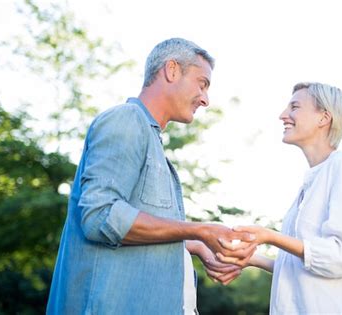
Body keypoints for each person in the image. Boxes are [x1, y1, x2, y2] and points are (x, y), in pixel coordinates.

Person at [47, 38, 256, 315]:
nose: (205, 99)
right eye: (202, 83)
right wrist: (198, 229)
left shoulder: (151, 141)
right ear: (171, 70)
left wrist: (193, 244)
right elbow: (100, 216)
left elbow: (135, 226)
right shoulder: (127, 120)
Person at [219, 82, 342, 314]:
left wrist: (269, 236)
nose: (283, 115)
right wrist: (253, 259)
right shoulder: (313, 180)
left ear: (324, 118)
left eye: (294, 107)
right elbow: (305, 266)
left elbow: (340, 257)